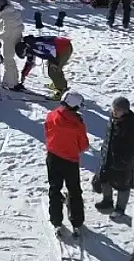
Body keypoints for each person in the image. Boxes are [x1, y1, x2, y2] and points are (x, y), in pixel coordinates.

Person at [44, 91, 89, 236]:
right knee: (74, 190)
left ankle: (56, 220)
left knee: (55, 188)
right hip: (70, 161)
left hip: (52, 157)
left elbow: (47, 131)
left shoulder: (52, 115)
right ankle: (77, 220)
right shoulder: (77, 123)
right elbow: (83, 145)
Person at [94, 96, 134, 218]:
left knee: (123, 186)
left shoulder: (131, 126)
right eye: (113, 109)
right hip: (108, 157)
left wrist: (123, 161)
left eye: (117, 110)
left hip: (123, 163)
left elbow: (132, 148)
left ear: (125, 111)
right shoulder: (113, 119)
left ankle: (120, 209)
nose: (114, 112)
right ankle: (107, 201)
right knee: (105, 179)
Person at [17, 34, 74, 99]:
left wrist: (55, 62)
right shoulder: (31, 48)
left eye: (26, 53)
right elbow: (29, 63)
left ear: (25, 48)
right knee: (51, 68)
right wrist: (23, 75)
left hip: (63, 48)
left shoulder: (35, 44)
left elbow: (51, 48)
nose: (27, 55)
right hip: (58, 49)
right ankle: (57, 83)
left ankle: (60, 90)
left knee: (54, 70)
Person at [0, 0, 24, 90]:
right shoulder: (13, 11)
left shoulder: (5, 15)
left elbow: (6, 31)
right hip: (17, 37)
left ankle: (10, 83)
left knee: (8, 61)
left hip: (10, 40)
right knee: (10, 61)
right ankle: (12, 80)